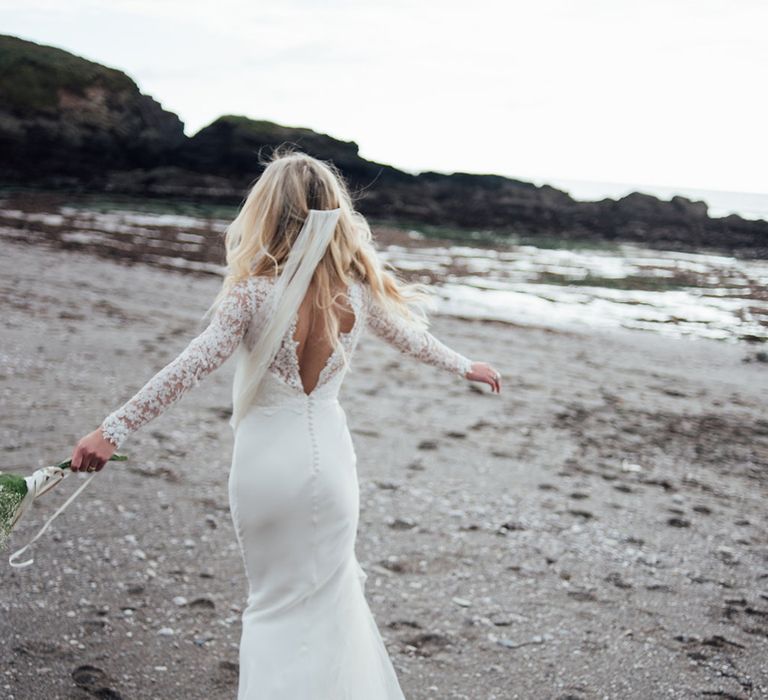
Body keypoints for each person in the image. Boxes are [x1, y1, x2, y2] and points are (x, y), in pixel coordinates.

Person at [70, 149, 501, 699]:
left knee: (272, 608)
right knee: (331, 603)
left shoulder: (252, 292)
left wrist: (113, 430)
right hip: (333, 468)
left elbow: (191, 366)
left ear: (269, 213)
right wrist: (468, 366)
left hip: (269, 465)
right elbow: (414, 340)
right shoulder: (357, 294)